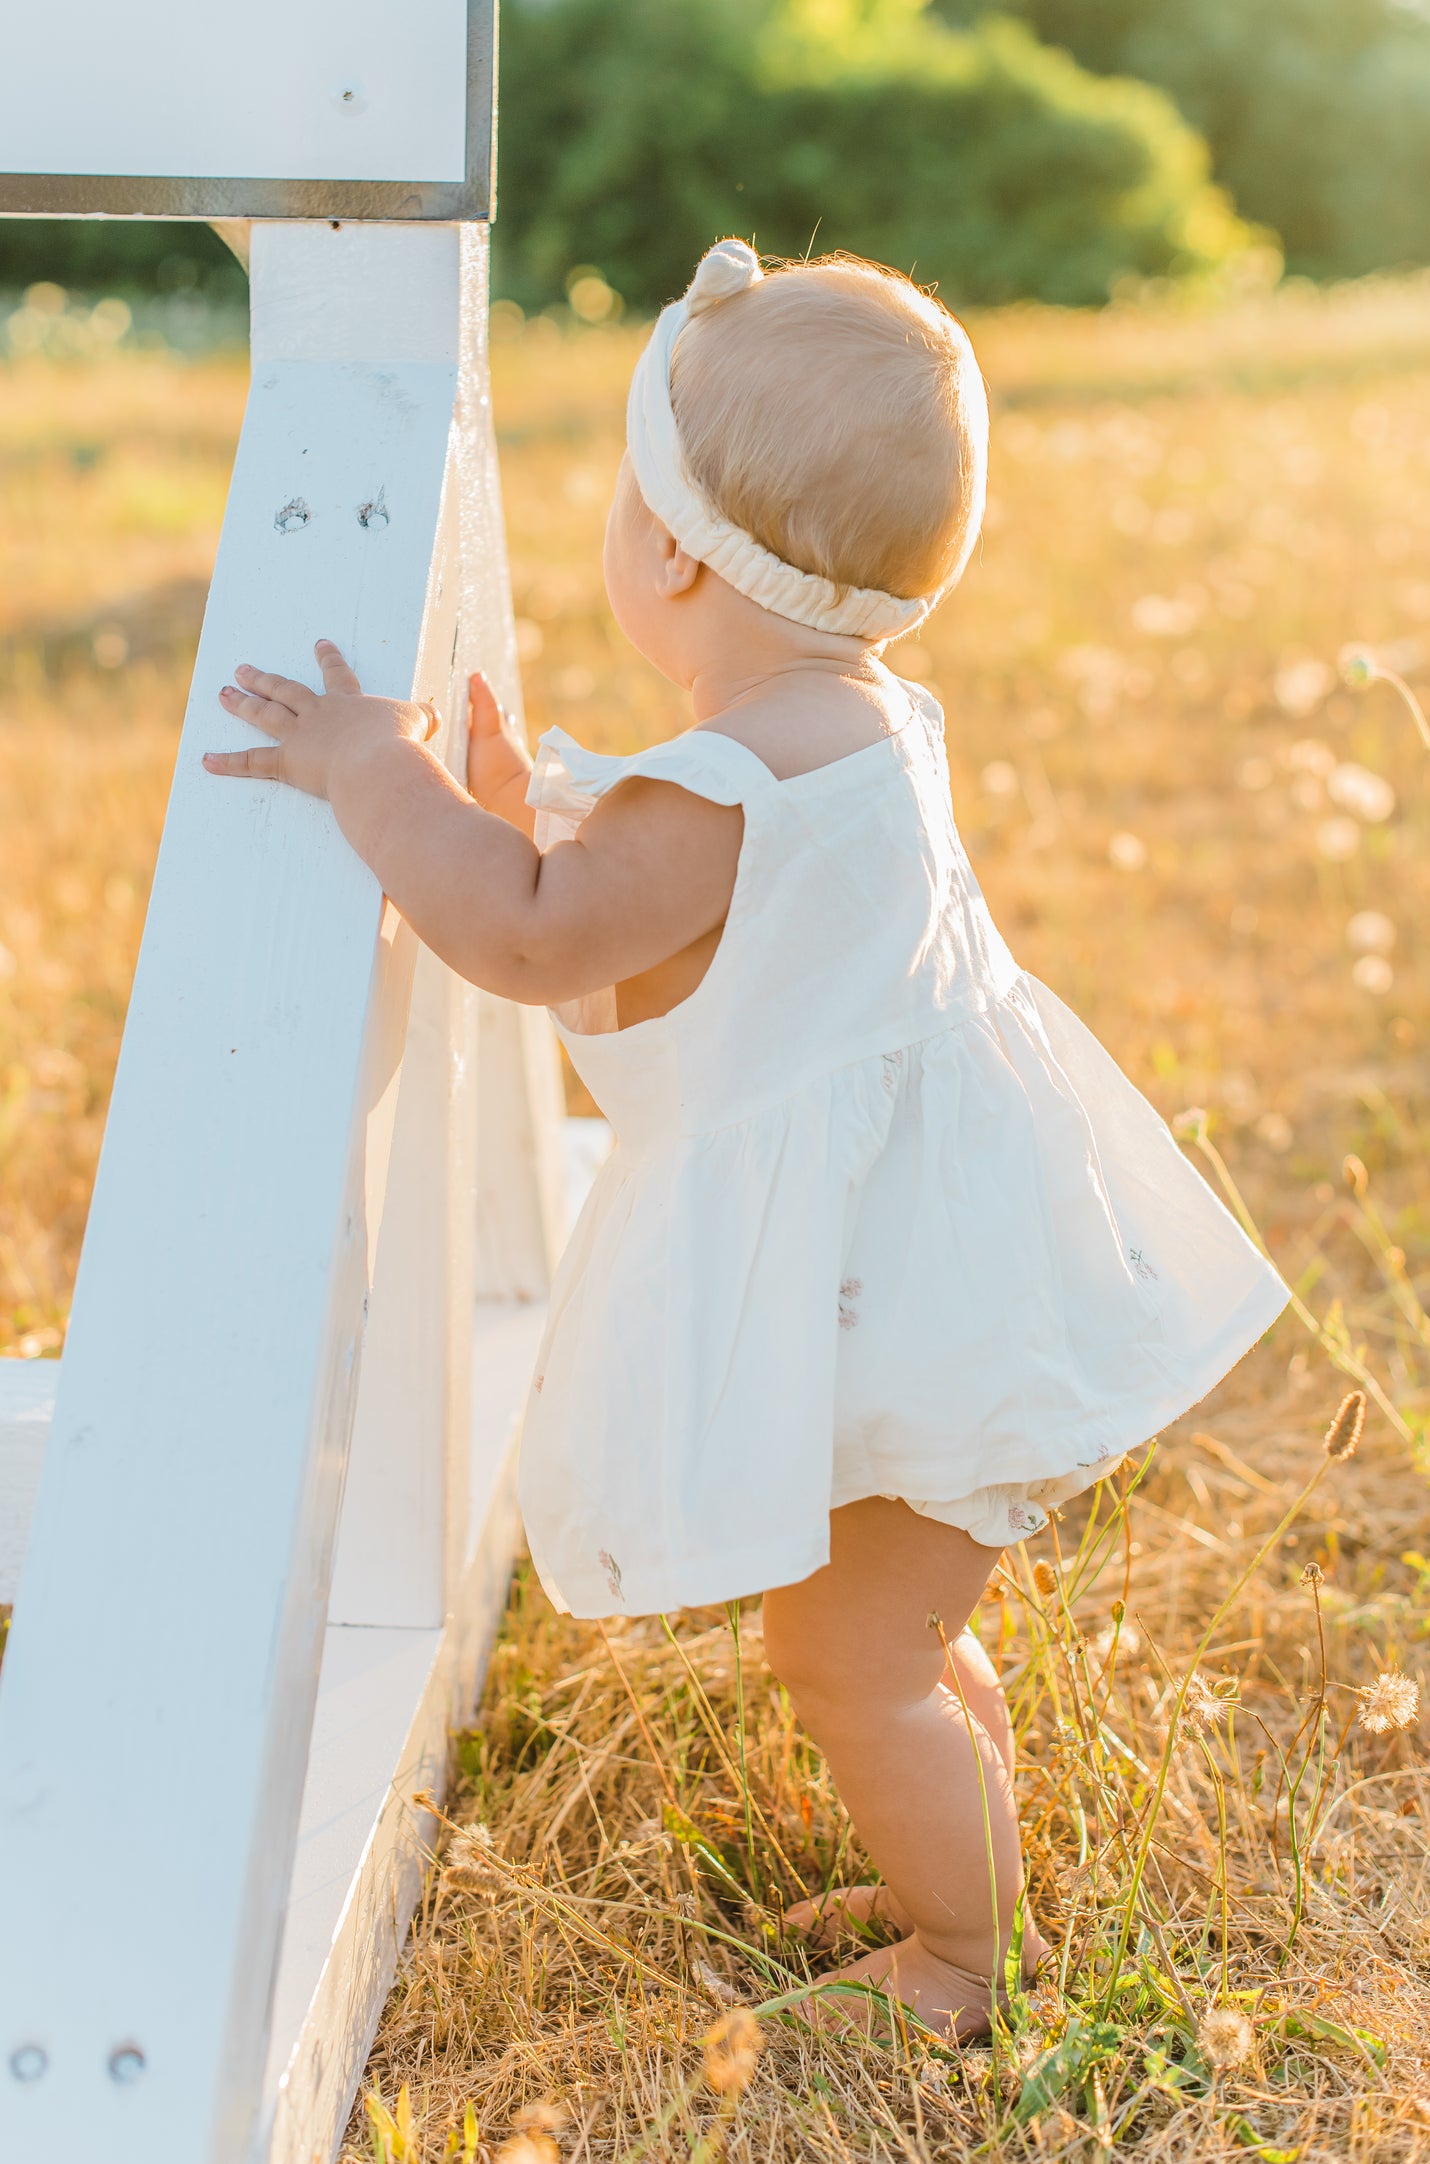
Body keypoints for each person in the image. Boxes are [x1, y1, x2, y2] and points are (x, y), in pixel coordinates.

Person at [204, 239, 1288, 2040]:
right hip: (935, 1266)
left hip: (901, 1282)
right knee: (891, 1645)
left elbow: (538, 934)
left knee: (847, 1660)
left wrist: (373, 772)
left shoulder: (712, 790)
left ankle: (956, 1957)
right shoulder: (857, 722)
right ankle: (961, 1845)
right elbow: (688, 937)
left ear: (672, 554)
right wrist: (515, 821)